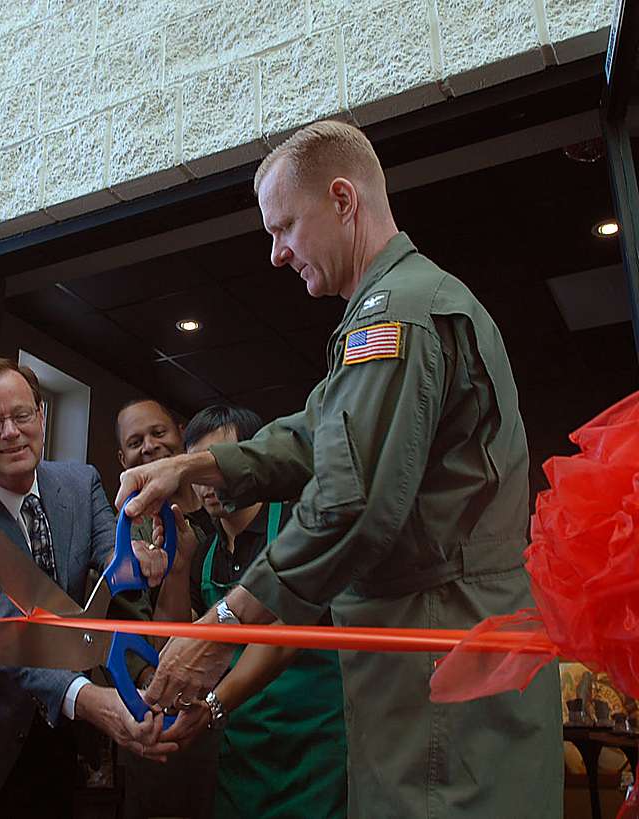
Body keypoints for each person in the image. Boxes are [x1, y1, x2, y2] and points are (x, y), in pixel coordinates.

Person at [116, 120, 564, 817]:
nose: (275, 254)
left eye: (284, 226)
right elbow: (315, 434)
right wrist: (194, 464)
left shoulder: (398, 316)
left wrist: (219, 629)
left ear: (344, 200)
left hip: (440, 651)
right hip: (429, 654)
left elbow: (348, 499)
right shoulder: (384, 312)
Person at [0, 358, 174, 819]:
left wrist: (138, 564)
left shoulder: (81, 483)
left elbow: (112, 580)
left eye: (21, 415)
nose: (11, 432)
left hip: (64, 740)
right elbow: (2, 629)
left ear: (42, 415)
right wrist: (93, 701)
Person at [163, 404, 346, 819]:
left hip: (315, 749)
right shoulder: (203, 556)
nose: (209, 486)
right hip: (241, 753)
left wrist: (212, 706)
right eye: (199, 475)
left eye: (218, 468)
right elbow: (178, 649)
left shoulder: (298, 534)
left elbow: (286, 635)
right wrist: (177, 568)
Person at [113, 397, 220, 819]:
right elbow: (147, 647)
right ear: (122, 458)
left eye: (159, 433)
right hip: (164, 720)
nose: (151, 447)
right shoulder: (127, 535)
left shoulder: (226, 513)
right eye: (136, 442)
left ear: (180, 433)